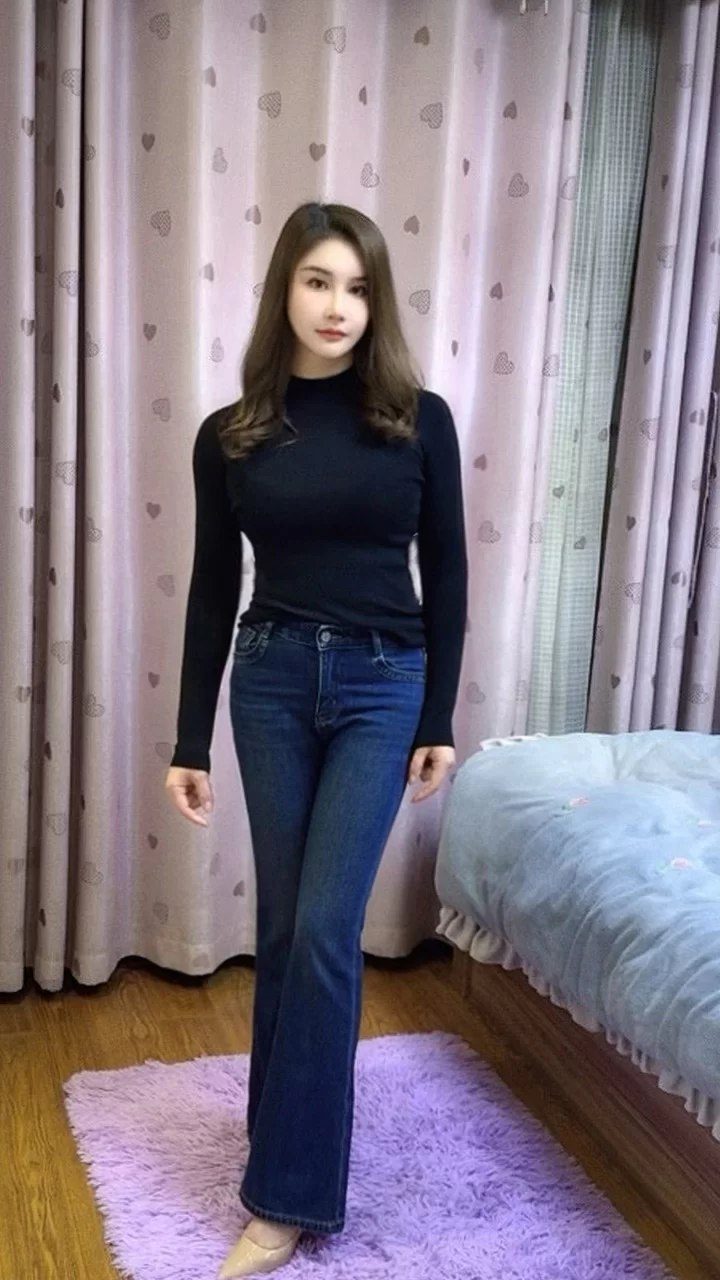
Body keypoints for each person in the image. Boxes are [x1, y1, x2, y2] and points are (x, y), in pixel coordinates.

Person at [164, 201, 468, 1279]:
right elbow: (213, 589)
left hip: (386, 683)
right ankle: (281, 1135)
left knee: (329, 929)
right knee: (287, 927)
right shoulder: (232, 433)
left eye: (359, 287)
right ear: (284, 291)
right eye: (319, 281)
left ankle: (285, 1201)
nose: (339, 306)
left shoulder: (418, 419)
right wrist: (188, 738)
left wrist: (438, 716)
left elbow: (449, 573)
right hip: (274, 677)